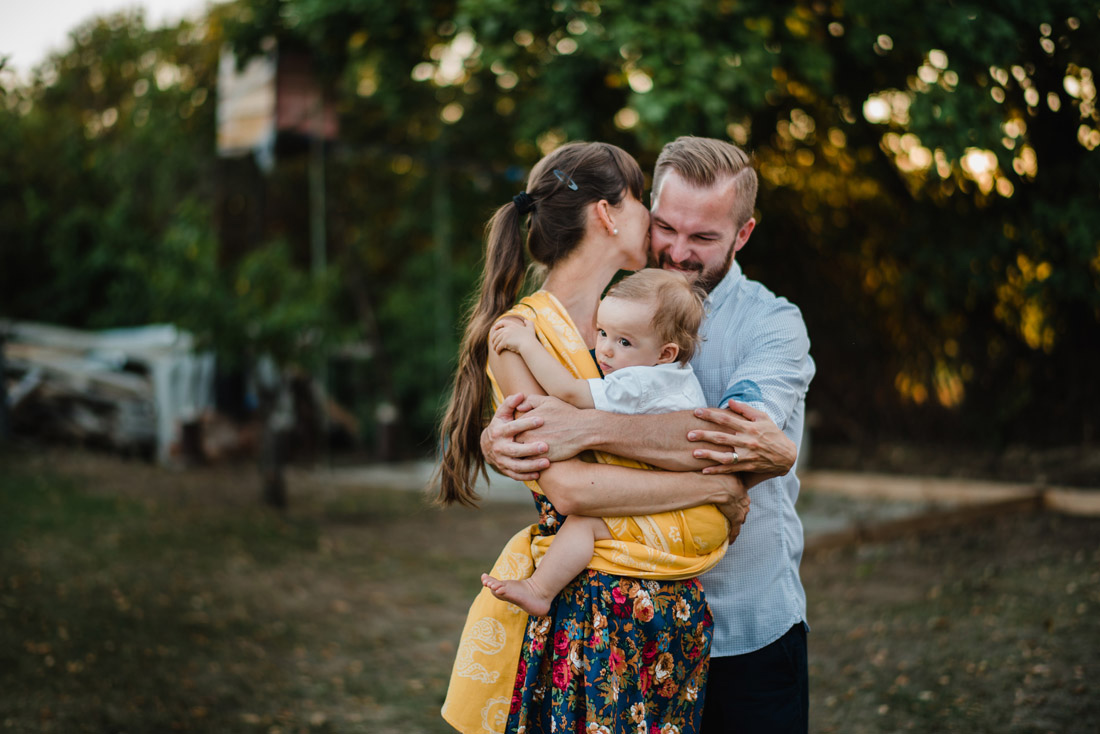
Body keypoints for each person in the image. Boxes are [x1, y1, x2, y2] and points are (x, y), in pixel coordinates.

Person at [481, 136, 815, 733]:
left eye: (704, 238)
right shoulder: (611, 308)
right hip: (631, 628)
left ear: (742, 235)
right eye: (666, 226)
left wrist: (581, 425)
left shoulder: (774, 326)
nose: (678, 251)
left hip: (745, 632)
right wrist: (499, 435)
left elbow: (730, 440)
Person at [481, 268, 728, 618]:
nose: (605, 350)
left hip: (691, 517)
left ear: (665, 352)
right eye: (602, 332)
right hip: (700, 513)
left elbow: (568, 391)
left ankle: (539, 589)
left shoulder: (641, 381)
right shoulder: (669, 375)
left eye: (623, 342)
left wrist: (526, 343)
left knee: (584, 523)